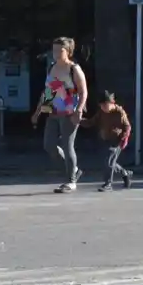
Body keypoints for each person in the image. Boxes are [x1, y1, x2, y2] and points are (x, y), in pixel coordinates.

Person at [29, 36, 88, 193]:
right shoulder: (52, 67)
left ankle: (71, 181)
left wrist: (79, 110)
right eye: (54, 49)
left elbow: (83, 92)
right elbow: (49, 91)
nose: (55, 52)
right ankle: (74, 170)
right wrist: (38, 112)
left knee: (68, 145)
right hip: (53, 110)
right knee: (48, 144)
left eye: (59, 50)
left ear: (68, 51)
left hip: (70, 111)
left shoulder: (74, 69)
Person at [83, 91, 134, 191]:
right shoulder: (101, 113)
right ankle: (125, 173)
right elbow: (91, 122)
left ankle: (108, 184)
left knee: (109, 162)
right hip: (106, 139)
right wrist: (80, 121)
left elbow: (127, 126)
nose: (103, 108)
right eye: (101, 106)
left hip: (117, 141)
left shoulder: (119, 112)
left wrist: (124, 138)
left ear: (112, 103)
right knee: (110, 162)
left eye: (106, 106)